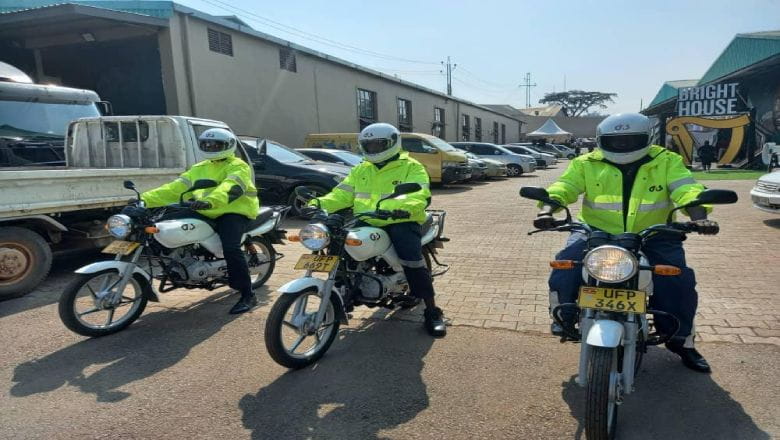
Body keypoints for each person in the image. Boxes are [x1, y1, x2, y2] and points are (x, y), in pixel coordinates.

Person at [534, 113, 720, 373]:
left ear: (647, 138)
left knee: (679, 282)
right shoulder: (586, 162)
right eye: (616, 141)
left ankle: (681, 341)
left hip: (654, 234)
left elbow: (686, 189)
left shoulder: (666, 161)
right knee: (565, 266)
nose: (623, 145)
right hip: (595, 231)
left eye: (631, 140)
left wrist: (699, 217)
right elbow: (564, 186)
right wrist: (546, 210)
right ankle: (563, 318)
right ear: (601, 140)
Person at [305, 123, 447, 337]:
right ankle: (346, 293)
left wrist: (398, 208)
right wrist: (318, 203)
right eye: (368, 145)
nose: (373, 149)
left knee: (412, 261)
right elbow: (342, 194)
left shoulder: (411, 166)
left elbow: (418, 194)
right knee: (341, 249)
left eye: (378, 145)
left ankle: (432, 312)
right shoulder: (361, 168)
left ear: (393, 143)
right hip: (367, 220)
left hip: (400, 219)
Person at [141, 128, 261, 315]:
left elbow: (230, 187)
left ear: (229, 146)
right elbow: (174, 188)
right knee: (164, 223)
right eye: (207, 144)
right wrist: (143, 200)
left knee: (231, 248)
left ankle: (248, 294)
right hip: (205, 209)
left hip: (233, 211)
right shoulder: (199, 168)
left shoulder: (238, 165)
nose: (211, 148)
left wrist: (211, 201)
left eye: (216, 145)